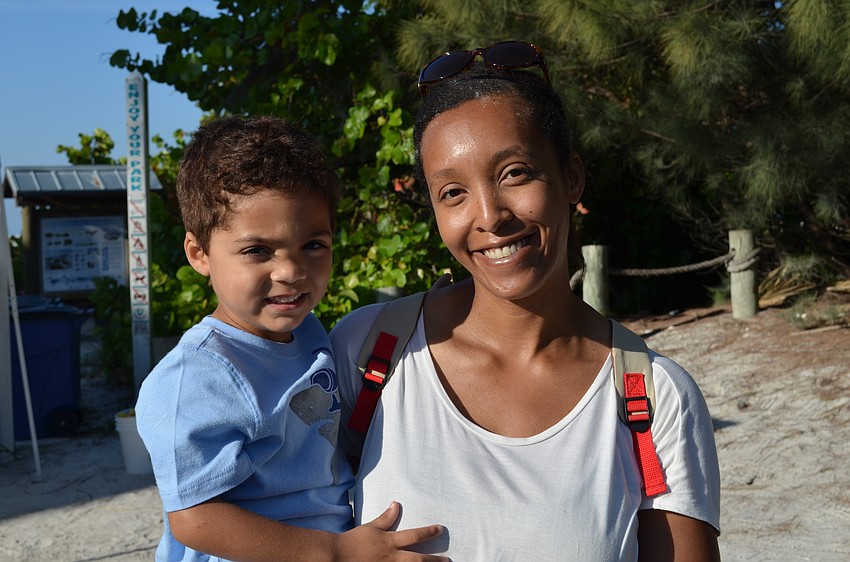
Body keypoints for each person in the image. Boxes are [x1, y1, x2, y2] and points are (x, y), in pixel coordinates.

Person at [330, 41, 721, 561]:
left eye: (514, 173)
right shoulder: (368, 353)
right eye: (452, 192)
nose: (489, 216)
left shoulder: (655, 397)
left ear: (571, 178)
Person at [135, 116, 446, 562]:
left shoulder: (309, 333)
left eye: (313, 245)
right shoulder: (195, 378)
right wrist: (337, 552)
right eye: (257, 251)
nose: (291, 271)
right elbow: (195, 518)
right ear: (199, 254)